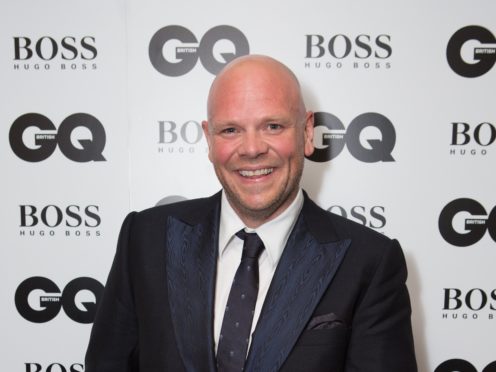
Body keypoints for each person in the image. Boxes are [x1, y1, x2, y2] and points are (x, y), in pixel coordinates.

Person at [85, 55, 417, 371]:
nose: (252, 148)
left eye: (273, 126)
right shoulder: (145, 239)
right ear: (209, 140)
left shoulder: (369, 262)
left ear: (306, 132)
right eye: (230, 130)